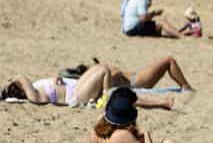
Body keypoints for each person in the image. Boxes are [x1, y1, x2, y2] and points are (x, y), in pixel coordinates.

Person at [4, 57, 188, 109]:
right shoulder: (35, 95)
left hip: (77, 88)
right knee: (105, 73)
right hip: (76, 95)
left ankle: (108, 92)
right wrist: (15, 79)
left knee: (104, 68)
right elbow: (22, 77)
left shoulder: (37, 86)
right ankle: (161, 103)